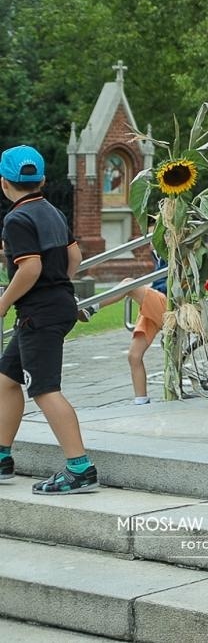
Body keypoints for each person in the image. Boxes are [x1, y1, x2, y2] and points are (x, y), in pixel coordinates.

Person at [0, 145, 96, 494]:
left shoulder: (16, 218)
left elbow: (31, 266)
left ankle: (79, 468)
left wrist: (3, 301)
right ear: (41, 179)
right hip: (56, 306)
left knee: (44, 390)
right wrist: (58, 286)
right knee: (6, 379)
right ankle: (2, 456)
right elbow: (73, 255)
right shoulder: (50, 211)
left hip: (38, 314)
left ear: (3, 182)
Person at [125, 253, 169, 405]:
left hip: (169, 301)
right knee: (134, 355)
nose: (151, 241)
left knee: (128, 283)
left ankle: (93, 308)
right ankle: (141, 400)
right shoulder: (157, 253)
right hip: (156, 299)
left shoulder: (174, 248)